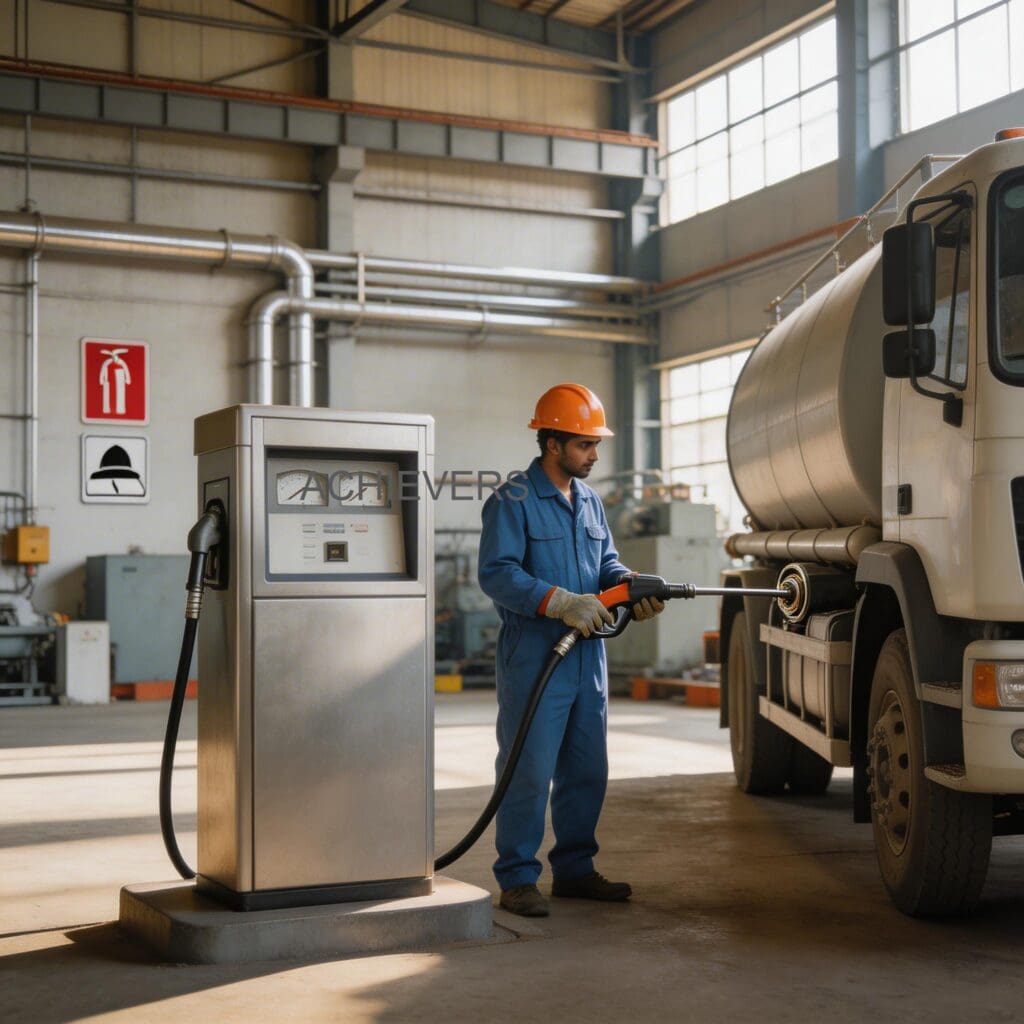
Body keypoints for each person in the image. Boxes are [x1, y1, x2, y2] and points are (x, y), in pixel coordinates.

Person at [478, 383, 665, 918]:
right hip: (536, 655)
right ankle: (516, 879)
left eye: (594, 444)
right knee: (529, 769)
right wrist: (558, 601)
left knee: (587, 768)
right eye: (584, 444)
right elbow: (496, 573)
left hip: (587, 656)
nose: (594, 455)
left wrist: (630, 585)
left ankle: (576, 870)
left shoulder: (589, 501)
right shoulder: (512, 500)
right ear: (552, 443)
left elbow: (606, 562)